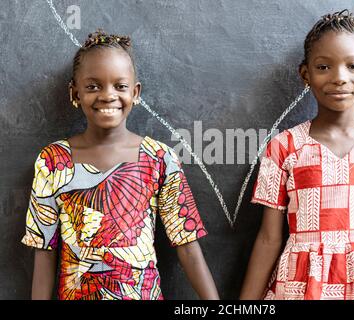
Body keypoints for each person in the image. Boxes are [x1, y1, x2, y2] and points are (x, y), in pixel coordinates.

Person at [21, 30, 219, 300]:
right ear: (74, 92)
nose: (107, 95)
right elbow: (44, 252)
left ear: (135, 92)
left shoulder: (159, 158)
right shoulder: (53, 161)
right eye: (93, 86)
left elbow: (187, 247)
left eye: (120, 86)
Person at [240, 10, 354, 300]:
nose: (339, 78)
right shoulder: (283, 148)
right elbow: (269, 238)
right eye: (324, 67)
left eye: (352, 66)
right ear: (305, 75)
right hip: (298, 288)